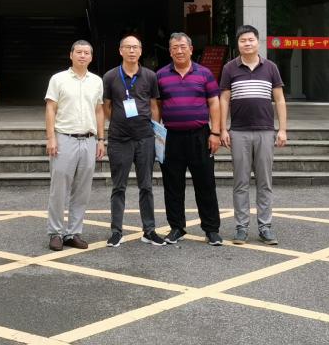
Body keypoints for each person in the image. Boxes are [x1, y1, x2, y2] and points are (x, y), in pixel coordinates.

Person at [153, 31, 223, 246]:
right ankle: (176, 227)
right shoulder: (161, 75)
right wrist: (157, 135)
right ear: (170, 51)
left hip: (200, 136)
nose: (179, 51)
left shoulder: (204, 73)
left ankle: (211, 229)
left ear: (191, 49)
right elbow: (157, 106)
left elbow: (214, 103)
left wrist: (215, 132)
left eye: (183, 46)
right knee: (172, 184)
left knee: (206, 183)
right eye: (175, 47)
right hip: (171, 137)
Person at [219, 25, 287, 245]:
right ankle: (241, 227)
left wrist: (282, 129)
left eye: (251, 40)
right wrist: (223, 129)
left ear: (258, 42)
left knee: (265, 182)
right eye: (243, 40)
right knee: (240, 182)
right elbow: (224, 99)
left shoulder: (271, 68)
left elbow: (279, 100)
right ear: (238, 44)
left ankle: (265, 227)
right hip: (238, 132)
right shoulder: (229, 68)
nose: (247, 43)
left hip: (265, 131)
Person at [102, 35, 164, 247]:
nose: (131, 51)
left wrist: (154, 131)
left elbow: (154, 106)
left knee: (146, 186)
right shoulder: (110, 76)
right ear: (120, 51)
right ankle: (116, 231)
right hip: (119, 139)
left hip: (145, 138)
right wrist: (119, 121)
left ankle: (149, 230)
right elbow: (106, 106)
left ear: (140, 51)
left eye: (135, 47)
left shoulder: (150, 76)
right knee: (118, 187)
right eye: (127, 47)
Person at [45, 40, 105, 251]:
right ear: (71, 55)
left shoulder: (96, 81)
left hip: (89, 139)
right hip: (64, 138)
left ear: (91, 57)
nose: (82, 55)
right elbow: (51, 108)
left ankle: (73, 233)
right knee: (59, 189)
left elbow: (99, 110)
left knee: (82, 190)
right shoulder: (58, 79)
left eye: (86, 52)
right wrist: (51, 137)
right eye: (78, 52)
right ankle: (55, 232)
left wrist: (101, 139)